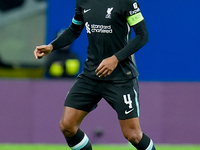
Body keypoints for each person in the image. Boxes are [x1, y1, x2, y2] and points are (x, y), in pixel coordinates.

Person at [34, 0, 156, 149]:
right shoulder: (83, 2)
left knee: (133, 135)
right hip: (91, 75)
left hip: (121, 78)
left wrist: (115, 58)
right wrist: (52, 46)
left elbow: (142, 35)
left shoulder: (126, 2)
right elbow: (74, 30)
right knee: (67, 125)